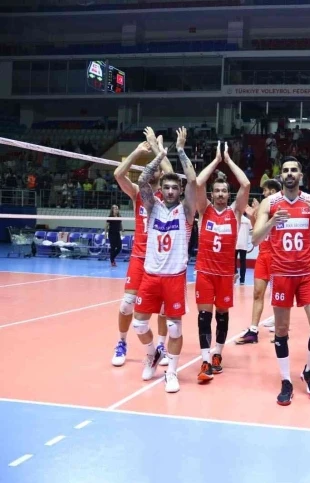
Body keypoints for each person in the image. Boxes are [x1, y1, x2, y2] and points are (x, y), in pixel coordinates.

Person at [251, 157, 310, 405]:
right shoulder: (270, 203)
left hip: (307, 274)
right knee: (281, 330)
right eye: (286, 170)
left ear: (300, 175)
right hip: (281, 274)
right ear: (281, 176)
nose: (289, 174)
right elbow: (255, 239)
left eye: (294, 170)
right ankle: (285, 380)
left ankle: (309, 371)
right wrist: (271, 221)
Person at [132, 127, 197, 393]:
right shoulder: (152, 206)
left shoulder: (187, 211)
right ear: (161, 189)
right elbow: (142, 180)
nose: (170, 191)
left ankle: (172, 372)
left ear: (179, 191)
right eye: (166, 187)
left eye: (174, 188)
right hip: (150, 275)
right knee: (139, 323)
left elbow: (193, 181)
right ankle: (152, 354)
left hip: (174, 277)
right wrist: (159, 154)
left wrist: (179, 150)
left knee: (174, 327)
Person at [111, 131, 173, 368]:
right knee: (127, 304)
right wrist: (137, 151)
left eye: (156, 166)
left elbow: (170, 171)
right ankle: (121, 342)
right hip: (139, 257)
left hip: (160, 258)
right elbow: (118, 174)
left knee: (163, 308)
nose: (154, 168)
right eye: (150, 166)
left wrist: (159, 150)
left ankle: (161, 346)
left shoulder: (168, 196)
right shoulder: (138, 193)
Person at [193, 142, 250, 382]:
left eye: (223, 191)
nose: (219, 194)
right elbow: (198, 183)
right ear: (212, 194)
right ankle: (205, 360)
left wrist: (228, 160)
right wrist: (216, 161)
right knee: (204, 316)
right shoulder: (203, 210)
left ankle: (218, 354)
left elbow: (246, 185)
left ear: (228, 194)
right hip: (205, 272)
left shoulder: (235, 213)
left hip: (225, 274)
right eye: (216, 191)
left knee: (222, 315)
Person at [235, 179, 282, 344]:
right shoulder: (262, 209)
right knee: (257, 293)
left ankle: (280, 331)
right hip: (263, 255)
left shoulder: (281, 209)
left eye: (265, 190)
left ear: (273, 191)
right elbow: (256, 233)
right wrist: (253, 216)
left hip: (277, 256)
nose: (263, 193)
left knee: (278, 297)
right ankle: (253, 331)